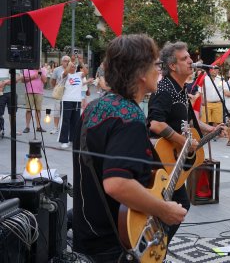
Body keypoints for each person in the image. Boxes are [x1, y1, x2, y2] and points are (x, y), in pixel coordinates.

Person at [72, 34, 187, 261]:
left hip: (88, 235)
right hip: (116, 243)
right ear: (141, 73)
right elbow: (117, 184)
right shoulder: (130, 118)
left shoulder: (95, 107)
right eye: (156, 65)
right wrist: (164, 210)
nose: (160, 71)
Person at [148, 41, 223, 243]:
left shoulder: (180, 89)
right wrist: (182, 141)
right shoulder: (164, 88)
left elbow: (190, 120)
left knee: (178, 206)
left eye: (190, 57)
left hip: (175, 164)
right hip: (161, 161)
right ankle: (154, 246)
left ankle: (157, 246)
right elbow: (155, 124)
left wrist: (210, 129)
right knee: (176, 206)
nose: (191, 61)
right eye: (185, 59)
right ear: (172, 66)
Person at [59, 62, 88, 149]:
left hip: (77, 101)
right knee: (65, 121)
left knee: (75, 121)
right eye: (71, 66)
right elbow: (65, 73)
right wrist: (69, 64)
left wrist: (81, 62)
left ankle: (72, 139)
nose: (73, 67)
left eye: (74, 66)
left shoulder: (79, 74)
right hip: (67, 100)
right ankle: (64, 141)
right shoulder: (65, 75)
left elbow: (86, 72)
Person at [21, 67, 48, 133]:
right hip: (29, 92)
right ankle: (27, 127)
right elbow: (22, 80)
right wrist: (33, 77)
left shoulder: (43, 69)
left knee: (38, 110)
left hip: (39, 92)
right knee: (28, 110)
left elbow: (45, 81)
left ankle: (38, 127)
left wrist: (40, 73)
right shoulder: (27, 69)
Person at [50, 56, 71, 134]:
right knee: (57, 110)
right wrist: (56, 88)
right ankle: (56, 127)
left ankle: (65, 128)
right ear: (62, 62)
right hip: (60, 92)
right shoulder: (57, 70)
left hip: (69, 92)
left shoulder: (72, 69)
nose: (67, 62)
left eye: (68, 61)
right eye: (65, 61)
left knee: (66, 111)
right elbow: (53, 81)